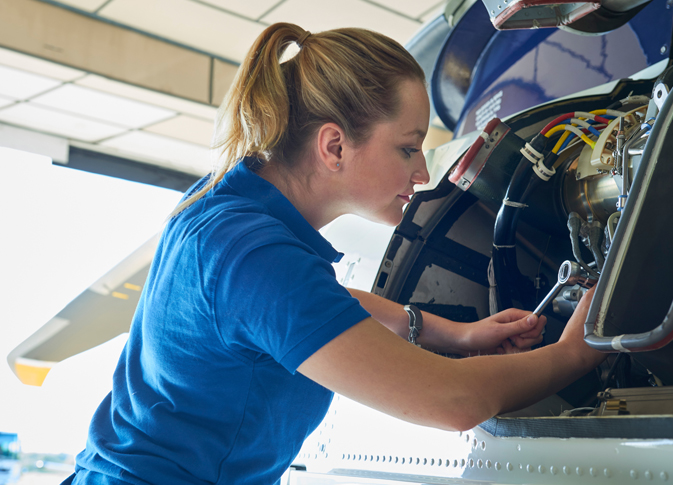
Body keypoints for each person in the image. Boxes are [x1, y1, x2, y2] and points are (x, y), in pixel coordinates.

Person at [67, 22, 605, 485]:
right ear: (334, 147)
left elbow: (308, 302)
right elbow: (451, 402)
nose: (422, 173)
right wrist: (575, 353)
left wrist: (449, 331)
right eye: (406, 147)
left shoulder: (224, 210)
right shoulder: (253, 255)